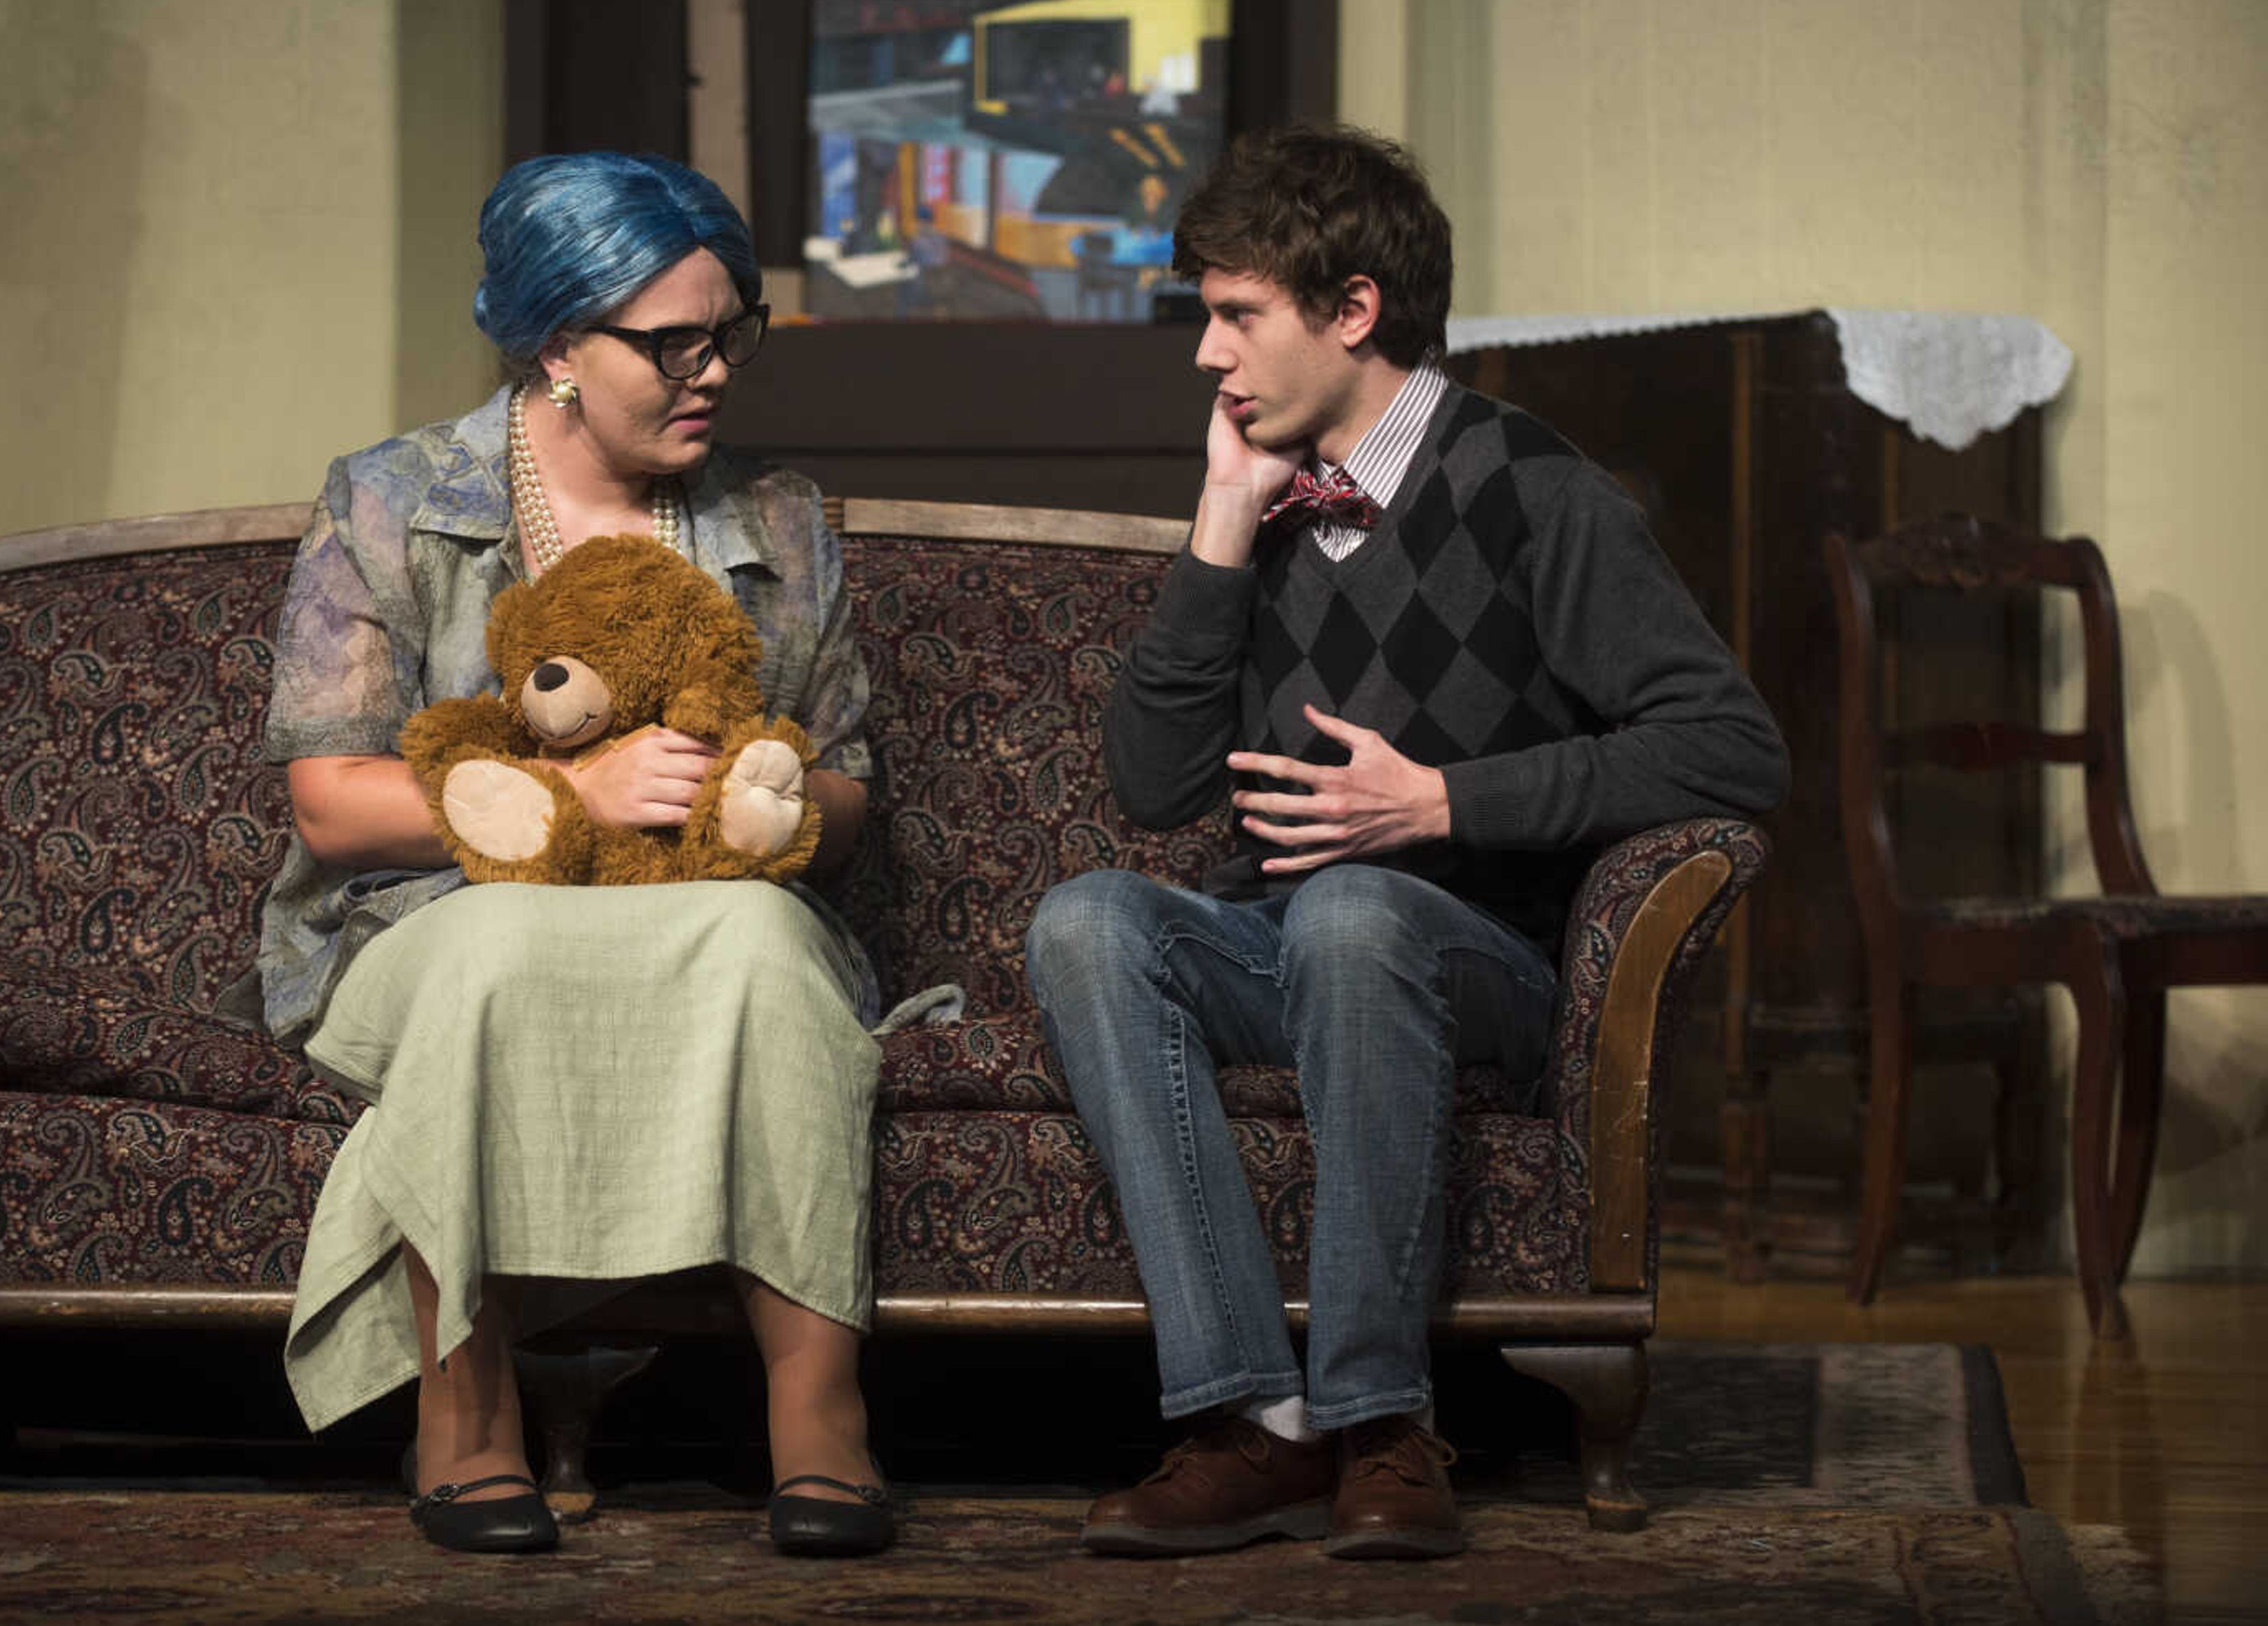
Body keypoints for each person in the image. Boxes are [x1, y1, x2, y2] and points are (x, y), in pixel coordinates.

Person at [1023, 126, 1787, 1561]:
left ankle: (1385, 1419)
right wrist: (1217, 528)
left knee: (1360, 911)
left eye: (1238, 314)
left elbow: (1733, 747)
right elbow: (1149, 782)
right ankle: (1260, 1423)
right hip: (1281, 937)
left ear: (1354, 310)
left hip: (1476, 958)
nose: (1209, 354)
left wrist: (1439, 804)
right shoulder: (1260, 497)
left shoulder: (1533, 488)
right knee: (1088, 919)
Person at [238, 152, 893, 1559]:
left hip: (702, 911)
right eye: (671, 344)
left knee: (772, 952)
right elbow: (335, 807)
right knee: (497, 949)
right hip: (434, 910)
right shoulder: (393, 499)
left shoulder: (778, 524)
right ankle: (462, 1414)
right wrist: (574, 795)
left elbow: (850, 796)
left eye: (732, 334)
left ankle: (818, 1408)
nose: (713, 372)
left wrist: (769, 811)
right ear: (555, 351)